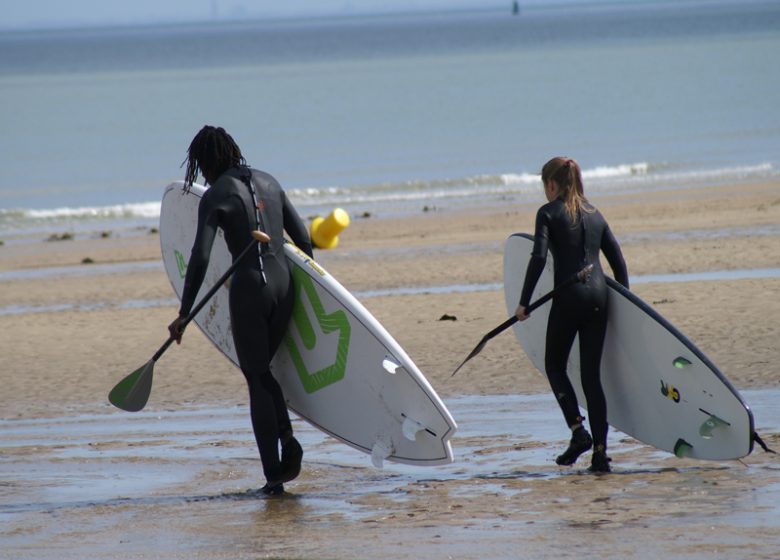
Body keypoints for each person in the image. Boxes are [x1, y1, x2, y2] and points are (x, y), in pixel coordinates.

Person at [168, 125, 314, 494]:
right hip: (284, 287)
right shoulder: (270, 181)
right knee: (265, 372)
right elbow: (306, 242)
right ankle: (286, 443)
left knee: (256, 376)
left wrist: (184, 313)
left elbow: (199, 257)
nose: (202, 174)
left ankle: (275, 474)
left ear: (206, 161)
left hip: (251, 288)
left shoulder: (216, 195)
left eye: (200, 165)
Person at [514, 157, 628, 473]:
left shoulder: (548, 213)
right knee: (592, 378)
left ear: (551, 184)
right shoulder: (595, 214)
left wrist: (523, 302)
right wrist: (626, 307)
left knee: (554, 364)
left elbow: (538, 257)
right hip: (599, 299)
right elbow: (618, 262)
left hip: (569, 298)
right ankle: (601, 455)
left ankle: (578, 432)